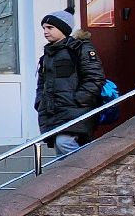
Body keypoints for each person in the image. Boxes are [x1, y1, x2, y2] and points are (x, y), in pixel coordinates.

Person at [37, 10, 106, 157]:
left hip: (76, 110)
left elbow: (95, 77)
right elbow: (41, 84)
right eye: (44, 28)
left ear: (63, 29)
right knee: (60, 152)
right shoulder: (47, 56)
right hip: (54, 112)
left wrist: (79, 99)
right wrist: (39, 103)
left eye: (50, 27)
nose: (45, 31)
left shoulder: (80, 48)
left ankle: (91, 167)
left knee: (64, 142)